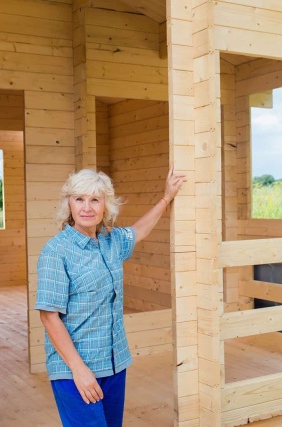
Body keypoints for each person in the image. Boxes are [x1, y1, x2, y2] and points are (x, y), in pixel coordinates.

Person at [35, 165, 186, 427]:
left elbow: (139, 231)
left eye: (95, 199)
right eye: (79, 199)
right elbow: (49, 317)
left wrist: (167, 198)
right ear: (69, 204)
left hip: (114, 364)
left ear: (105, 205)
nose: (87, 207)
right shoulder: (56, 251)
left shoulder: (111, 241)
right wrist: (79, 371)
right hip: (75, 370)